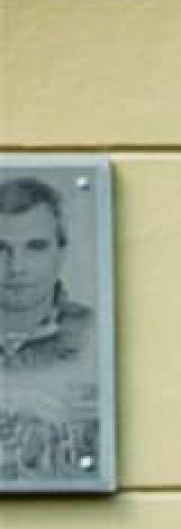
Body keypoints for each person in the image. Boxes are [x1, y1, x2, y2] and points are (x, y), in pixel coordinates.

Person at [0, 175, 98, 487]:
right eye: (1, 249)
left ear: (61, 252)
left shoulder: (93, 336)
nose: (17, 267)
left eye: (36, 247)